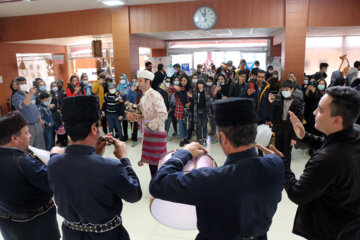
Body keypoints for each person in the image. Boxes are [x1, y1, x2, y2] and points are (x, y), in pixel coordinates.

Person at [149, 98, 284, 240]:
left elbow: (158, 184)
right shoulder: (276, 164)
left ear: (223, 137)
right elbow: (278, 161)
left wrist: (185, 152)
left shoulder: (211, 180)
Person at [47, 95, 142, 240]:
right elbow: (134, 195)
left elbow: (73, 163)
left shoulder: (54, 163)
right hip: (107, 235)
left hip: (71, 234)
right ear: (93, 128)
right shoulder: (111, 166)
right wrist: (124, 158)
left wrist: (95, 154)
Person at [274, 86, 360, 240]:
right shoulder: (354, 131)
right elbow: (330, 143)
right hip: (350, 222)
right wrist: (305, 136)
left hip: (330, 230)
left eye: (320, 110)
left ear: (336, 121)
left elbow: (298, 193)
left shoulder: (327, 161)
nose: (314, 113)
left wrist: (281, 163)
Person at [0, 111, 60, 240]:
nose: (30, 135)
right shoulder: (23, 162)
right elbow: (54, 182)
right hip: (36, 226)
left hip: (8, 226)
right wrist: (55, 156)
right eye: (26, 132)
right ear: (14, 138)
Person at [135, 70, 168, 178]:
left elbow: (163, 114)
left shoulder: (155, 95)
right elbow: (141, 114)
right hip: (148, 133)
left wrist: (149, 126)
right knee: (152, 163)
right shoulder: (143, 97)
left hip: (156, 132)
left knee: (158, 163)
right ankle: (156, 186)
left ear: (147, 81)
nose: (138, 83)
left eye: (140, 81)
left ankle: (160, 187)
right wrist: (134, 115)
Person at [268, 80, 303, 166]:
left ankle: (287, 173)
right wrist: (271, 103)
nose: (285, 91)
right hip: (279, 129)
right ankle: (278, 169)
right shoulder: (278, 99)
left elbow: (299, 122)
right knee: (277, 152)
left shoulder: (297, 103)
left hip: (290, 130)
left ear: (292, 89)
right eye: (283, 89)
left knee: (286, 154)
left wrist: (294, 137)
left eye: (287, 89)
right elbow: (271, 114)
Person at [11, 76, 45, 149]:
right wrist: (30, 94)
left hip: (37, 123)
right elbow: (24, 104)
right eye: (21, 83)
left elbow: (35, 107)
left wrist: (40, 119)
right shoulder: (16, 97)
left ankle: (40, 160)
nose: (24, 85)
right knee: (29, 147)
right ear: (17, 85)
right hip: (27, 126)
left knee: (40, 145)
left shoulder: (31, 95)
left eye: (25, 83)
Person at [173, 75, 193, 147]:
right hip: (180, 108)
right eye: (182, 81)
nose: (183, 82)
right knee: (181, 124)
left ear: (187, 81)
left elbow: (193, 98)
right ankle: (182, 139)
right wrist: (174, 86)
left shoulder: (190, 89)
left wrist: (190, 102)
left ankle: (185, 138)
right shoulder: (178, 88)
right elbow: (169, 89)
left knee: (186, 124)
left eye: (184, 80)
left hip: (187, 109)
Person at [193, 79, 211, 146]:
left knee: (204, 125)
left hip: (205, 110)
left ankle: (204, 139)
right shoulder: (195, 91)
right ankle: (199, 138)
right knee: (198, 124)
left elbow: (209, 100)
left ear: (204, 84)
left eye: (201, 83)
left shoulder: (207, 91)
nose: (200, 85)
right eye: (199, 83)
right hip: (197, 110)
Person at [49, 82, 67, 147]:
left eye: (55, 86)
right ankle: (53, 143)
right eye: (53, 86)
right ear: (51, 87)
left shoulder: (60, 93)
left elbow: (63, 101)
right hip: (53, 113)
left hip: (61, 112)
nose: (54, 87)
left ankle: (63, 141)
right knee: (55, 128)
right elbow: (49, 104)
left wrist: (61, 109)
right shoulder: (49, 94)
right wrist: (56, 109)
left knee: (61, 127)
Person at [127, 76, 142, 147]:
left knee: (143, 125)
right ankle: (134, 139)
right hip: (132, 110)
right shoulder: (130, 90)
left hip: (140, 109)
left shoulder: (140, 89)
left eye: (136, 81)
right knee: (133, 125)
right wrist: (131, 91)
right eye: (133, 81)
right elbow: (128, 99)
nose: (135, 83)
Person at [117, 74, 131, 141]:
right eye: (120, 79)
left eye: (123, 78)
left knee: (129, 120)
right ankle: (123, 134)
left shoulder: (129, 85)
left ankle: (129, 135)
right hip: (121, 105)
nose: (122, 80)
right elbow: (116, 95)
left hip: (128, 105)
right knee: (123, 120)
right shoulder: (118, 87)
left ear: (125, 78)